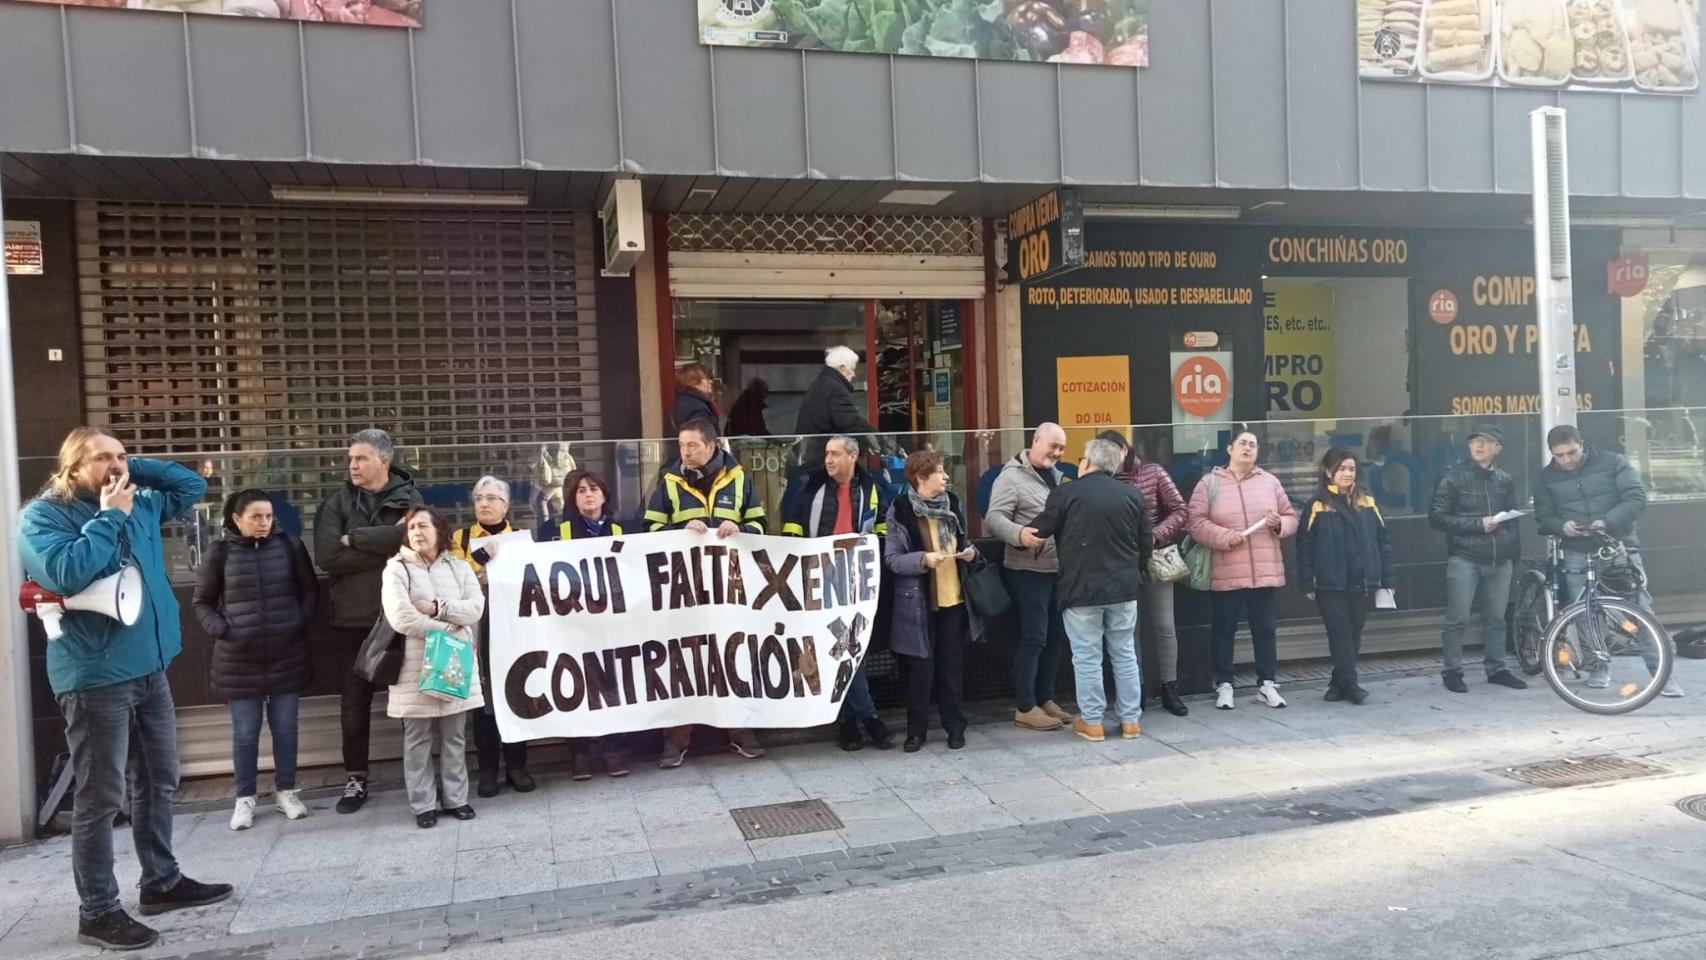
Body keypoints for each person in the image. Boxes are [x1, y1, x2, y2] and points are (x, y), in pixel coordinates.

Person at [19, 427, 231, 951]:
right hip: (94, 676)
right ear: (71, 468)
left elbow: (189, 487)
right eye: (102, 458)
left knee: (159, 780)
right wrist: (109, 514)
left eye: (121, 456)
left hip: (148, 666)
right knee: (101, 797)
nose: (115, 467)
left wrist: (128, 463)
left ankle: (161, 883)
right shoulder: (41, 516)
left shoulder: (136, 497)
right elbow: (67, 572)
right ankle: (98, 911)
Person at [192, 489, 319, 831]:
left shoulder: (290, 546)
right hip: (238, 658)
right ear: (237, 519)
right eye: (256, 517)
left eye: (268, 516)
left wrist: (297, 621)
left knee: (286, 729)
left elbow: (310, 591)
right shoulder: (219, 552)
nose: (264, 523)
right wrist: (224, 630)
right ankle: (244, 798)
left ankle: (287, 792)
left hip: (286, 652)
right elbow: (201, 602)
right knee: (245, 733)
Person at [312, 428, 423, 814]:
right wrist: (384, 545)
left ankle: (419, 776)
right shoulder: (336, 502)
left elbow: (414, 544)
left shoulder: (411, 498)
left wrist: (354, 538)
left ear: (383, 461)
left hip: (403, 617)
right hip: (353, 618)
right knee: (354, 705)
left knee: (412, 702)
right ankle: (355, 779)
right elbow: (327, 556)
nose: (353, 465)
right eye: (351, 459)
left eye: (361, 458)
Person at [644, 419, 768, 765]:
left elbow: (760, 524)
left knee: (732, 656)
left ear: (712, 446)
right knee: (684, 660)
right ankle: (677, 738)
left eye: (692, 445)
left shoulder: (739, 477)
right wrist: (679, 528)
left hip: (730, 587)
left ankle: (739, 729)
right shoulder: (669, 481)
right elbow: (649, 527)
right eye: (682, 445)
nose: (685, 451)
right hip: (685, 591)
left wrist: (740, 527)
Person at [1533, 424, 1682, 697]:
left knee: (1639, 610)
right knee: (1585, 613)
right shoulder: (1546, 477)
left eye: (1571, 452)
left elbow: (1636, 497)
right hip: (1576, 548)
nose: (1566, 460)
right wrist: (1561, 525)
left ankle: (1662, 674)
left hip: (1617, 547)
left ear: (1583, 444)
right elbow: (1543, 515)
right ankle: (1598, 667)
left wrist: (1609, 521)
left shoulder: (1613, 462)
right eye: (1559, 455)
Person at [1020, 438, 1152, 742]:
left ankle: (1092, 722)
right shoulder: (1132, 495)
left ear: (1087, 462)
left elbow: (1039, 531)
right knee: (1124, 654)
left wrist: (1014, 532)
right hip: (1123, 589)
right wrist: (1136, 571)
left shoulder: (1065, 493)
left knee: (1087, 656)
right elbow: (1145, 542)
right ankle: (1130, 721)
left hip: (1081, 589)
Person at [782, 435, 895, 752]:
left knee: (848, 649)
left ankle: (848, 723)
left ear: (853, 456)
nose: (828, 460)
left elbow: (884, 526)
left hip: (859, 584)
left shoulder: (871, 487)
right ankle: (868, 717)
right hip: (822, 582)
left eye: (835, 454)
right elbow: (793, 527)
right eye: (827, 454)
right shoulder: (811, 486)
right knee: (842, 647)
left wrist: (873, 547)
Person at [381, 506, 486, 829]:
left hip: (454, 662)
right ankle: (423, 804)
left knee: (455, 736)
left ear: (440, 530)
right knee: (417, 739)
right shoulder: (396, 569)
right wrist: (447, 627)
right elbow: (401, 617)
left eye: (423, 526)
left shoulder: (458, 566)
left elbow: (475, 608)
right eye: (411, 527)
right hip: (414, 668)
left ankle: (457, 798)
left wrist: (440, 608)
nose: (416, 532)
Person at [1186, 429, 1299, 711]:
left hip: (1264, 571)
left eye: (1253, 445)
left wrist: (1278, 524)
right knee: (1224, 630)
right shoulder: (1209, 483)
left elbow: (1291, 516)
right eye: (1243, 444)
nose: (1248, 448)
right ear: (1230, 449)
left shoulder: (1269, 482)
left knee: (1265, 630)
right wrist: (1224, 537)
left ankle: (1267, 684)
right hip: (1226, 571)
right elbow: (1195, 522)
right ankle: (1224, 684)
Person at [885, 450, 981, 752]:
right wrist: (923, 559)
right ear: (921, 477)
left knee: (952, 666)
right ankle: (917, 731)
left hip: (954, 598)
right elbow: (892, 560)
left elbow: (962, 541)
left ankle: (955, 727)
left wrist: (971, 552)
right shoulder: (900, 509)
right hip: (918, 603)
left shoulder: (952, 502)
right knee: (920, 670)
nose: (946, 477)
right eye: (940, 472)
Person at [537, 470, 632, 777]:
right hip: (573, 625)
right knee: (576, 685)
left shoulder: (625, 529)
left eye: (593, 489)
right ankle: (580, 753)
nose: (587, 494)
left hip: (613, 623)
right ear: (572, 499)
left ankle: (613, 750)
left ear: (604, 495)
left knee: (612, 684)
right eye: (580, 491)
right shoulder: (554, 530)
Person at [984, 423, 1074, 732]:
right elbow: (994, 519)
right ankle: (1025, 706)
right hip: (1027, 571)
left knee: (1055, 637)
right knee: (1034, 637)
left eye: (1062, 448)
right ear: (1035, 440)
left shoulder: (1059, 477)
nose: (1058, 453)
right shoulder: (1010, 477)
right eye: (1053, 446)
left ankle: (1045, 698)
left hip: (1057, 570)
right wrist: (1020, 534)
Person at [448, 477, 535, 798]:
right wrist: (485, 562)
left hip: (514, 628)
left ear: (506, 505)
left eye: (492, 498)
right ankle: (487, 770)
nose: (484, 503)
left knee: (517, 694)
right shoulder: (460, 538)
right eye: (479, 498)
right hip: (477, 629)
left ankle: (517, 766)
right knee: (483, 701)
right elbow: (456, 580)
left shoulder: (521, 540)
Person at [1428, 424, 1528, 693]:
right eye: (1475, 441)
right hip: (1465, 556)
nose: (1479, 446)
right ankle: (1452, 671)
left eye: (1486, 442)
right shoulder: (1452, 478)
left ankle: (1497, 668)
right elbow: (1436, 518)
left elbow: (1511, 519)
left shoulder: (1504, 479)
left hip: (1500, 558)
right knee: (1457, 618)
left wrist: (1512, 553)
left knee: (1497, 618)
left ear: (1498, 448)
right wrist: (1476, 524)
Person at [1296, 450, 1395, 706]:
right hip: (1330, 583)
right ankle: (1351, 685)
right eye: (1341, 469)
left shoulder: (1368, 501)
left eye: (1351, 469)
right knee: (1339, 632)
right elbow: (1304, 546)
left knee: (1354, 631)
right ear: (1328, 471)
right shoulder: (1317, 504)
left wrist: (1388, 580)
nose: (1347, 473)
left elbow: (1383, 542)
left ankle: (1337, 683)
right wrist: (1306, 581)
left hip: (1363, 582)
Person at [1105, 430, 1191, 717]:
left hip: (1155, 557)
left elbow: (1180, 510)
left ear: (1125, 449)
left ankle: (1170, 687)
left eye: (1115, 450)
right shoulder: (1102, 480)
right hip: (1120, 562)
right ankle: (1135, 690)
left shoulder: (1153, 472)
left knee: (1165, 627)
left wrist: (1153, 536)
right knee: (1128, 630)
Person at [795, 346, 882, 472]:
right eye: (852, 369)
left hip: (812, 454)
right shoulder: (835, 388)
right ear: (842, 368)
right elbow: (849, 422)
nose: (854, 374)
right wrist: (879, 440)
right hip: (822, 457)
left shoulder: (822, 383)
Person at [670, 362, 720, 435]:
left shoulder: (684, 401)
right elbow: (703, 437)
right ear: (693, 381)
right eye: (706, 378)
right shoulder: (696, 406)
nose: (710, 381)